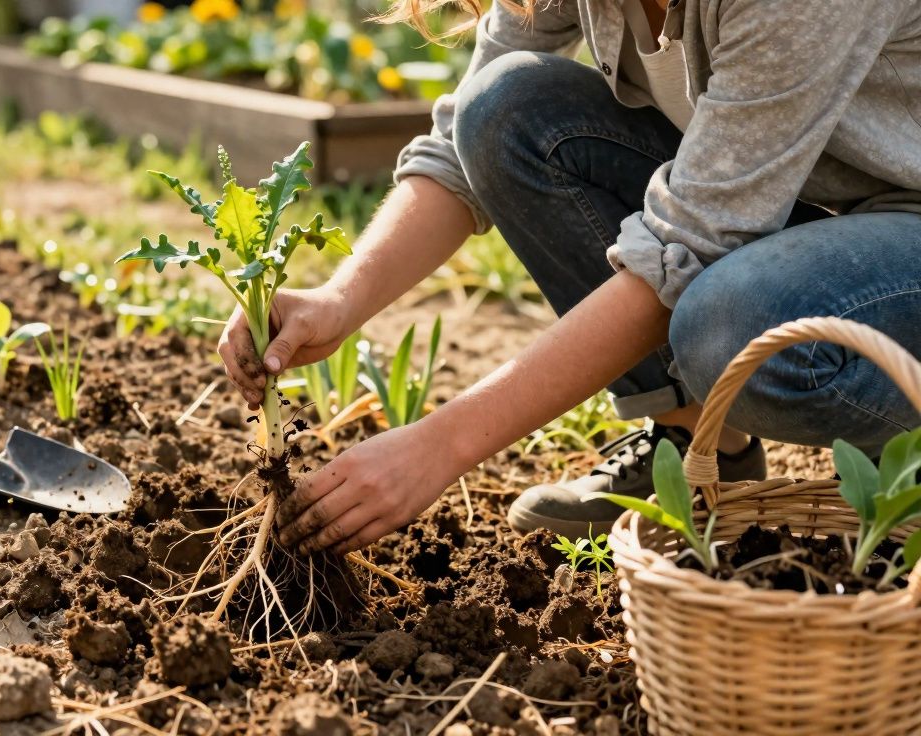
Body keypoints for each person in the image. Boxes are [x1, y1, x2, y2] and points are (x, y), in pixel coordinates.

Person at [217, 0, 921, 549]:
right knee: (506, 108)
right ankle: (692, 455)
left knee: (731, 321)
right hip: (804, 209)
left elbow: (690, 246)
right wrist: (340, 300)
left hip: (905, 229)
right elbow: (460, 146)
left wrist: (440, 447)